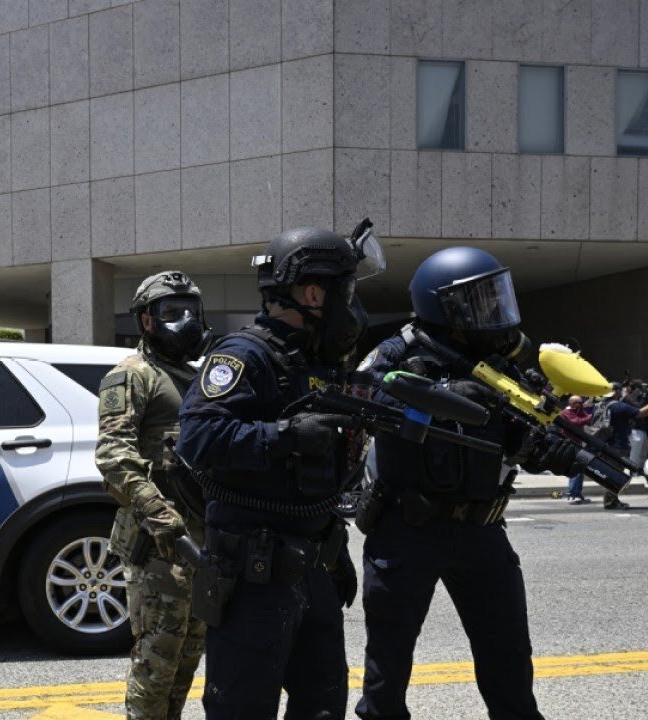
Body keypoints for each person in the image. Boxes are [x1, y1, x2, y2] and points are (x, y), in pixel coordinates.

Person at [355, 246, 582, 720]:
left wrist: (550, 449)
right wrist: (445, 395)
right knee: (387, 672)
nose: (494, 312)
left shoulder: (503, 363)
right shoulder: (400, 350)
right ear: (445, 308)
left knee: (509, 662)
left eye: (497, 297)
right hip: (407, 527)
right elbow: (366, 396)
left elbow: (523, 436)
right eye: (480, 301)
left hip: (482, 530)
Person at [178, 225, 382, 719]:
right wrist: (286, 435)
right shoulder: (245, 355)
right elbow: (197, 439)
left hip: (311, 566)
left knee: (323, 708)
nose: (350, 304)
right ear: (313, 293)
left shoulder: (315, 361)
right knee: (243, 710)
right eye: (345, 290)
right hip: (253, 578)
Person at [95, 271, 213, 720]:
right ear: (146, 321)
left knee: (187, 656)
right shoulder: (132, 376)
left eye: (191, 311)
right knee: (156, 660)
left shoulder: (196, 377)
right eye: (170, 312)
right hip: (158, 542)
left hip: (200, 538)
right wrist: (159, 515)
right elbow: (113, 453)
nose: (184, 320)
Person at [600, 387, 648, 510]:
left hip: (604, 444)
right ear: (616, 392)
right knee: (616, 474)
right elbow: (641, 413)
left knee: (611, 473)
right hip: (618, 445)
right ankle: (611, 502)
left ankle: (611, 500)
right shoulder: (619, 406)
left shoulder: (600, 406)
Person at [560, 395, 593, 504]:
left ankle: (578, 494)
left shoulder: (578, 410)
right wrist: (591, 416)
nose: (581, 404)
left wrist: (587, 411)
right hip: (570, 444)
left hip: (578, 443)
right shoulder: (567, 411)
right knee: (575, 468)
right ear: (573, 403)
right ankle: (572, 494)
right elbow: (577, 422)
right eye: (579, 402)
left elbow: (587, 420)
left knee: (581, 468)